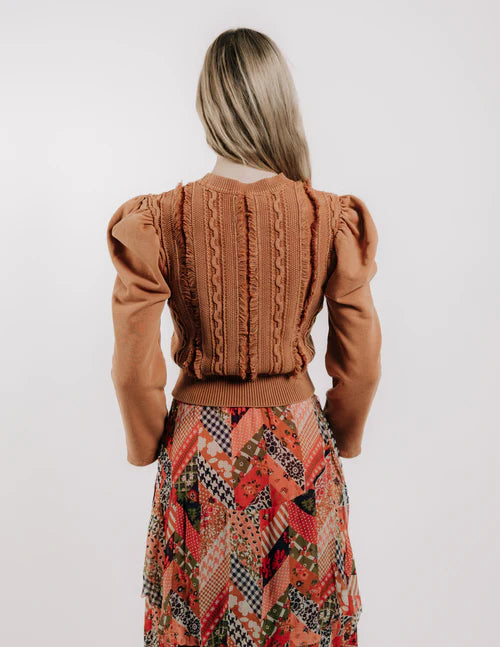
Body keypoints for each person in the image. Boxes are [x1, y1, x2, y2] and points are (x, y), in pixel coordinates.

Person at [106, 27, 381, 647]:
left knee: (196, 626)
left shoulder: (159, 219)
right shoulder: (327, 216)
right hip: (298, 454)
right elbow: (361, 362)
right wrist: (339, 437)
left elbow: (132, 367)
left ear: (208, 106)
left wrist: (151, 445)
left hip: (198, 457)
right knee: (303, 628)